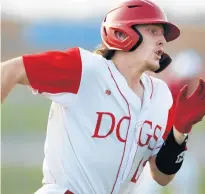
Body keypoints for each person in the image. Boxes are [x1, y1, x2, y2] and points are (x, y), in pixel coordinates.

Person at [1, 1, 205, 194]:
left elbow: (161, 176)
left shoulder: (161, 96)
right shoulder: (85, 69)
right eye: (153, 31)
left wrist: (179, 132)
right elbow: (10, 70)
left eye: (163, 35)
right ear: (121, 33)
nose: (162, 40)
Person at [132, 49, 204, 194]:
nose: (187, 81)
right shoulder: (167, 92)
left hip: (176, 149)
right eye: (184, 78)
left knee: (188, 177)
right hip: (153, 150)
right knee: (148, 187)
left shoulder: (196, 94)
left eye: (190, 77)